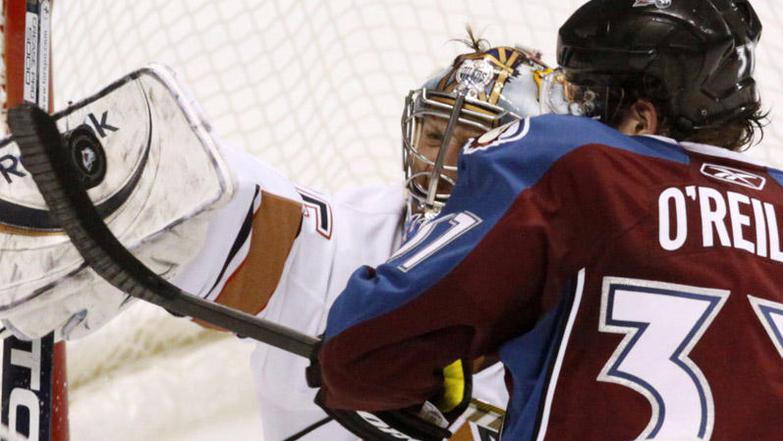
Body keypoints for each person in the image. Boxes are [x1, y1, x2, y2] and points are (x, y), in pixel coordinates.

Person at [0, 33, 566, 441]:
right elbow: (246, 226)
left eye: (474, 144)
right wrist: (146, 204)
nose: (441, 165)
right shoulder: (360, 251)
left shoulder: (592, 285)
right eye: (437, 133)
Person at [316, 1, 775, 440]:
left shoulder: (574, 158)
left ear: (641, 121)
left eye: (589, 101)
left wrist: (420, 381)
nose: (577, 115)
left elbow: (361, 354)